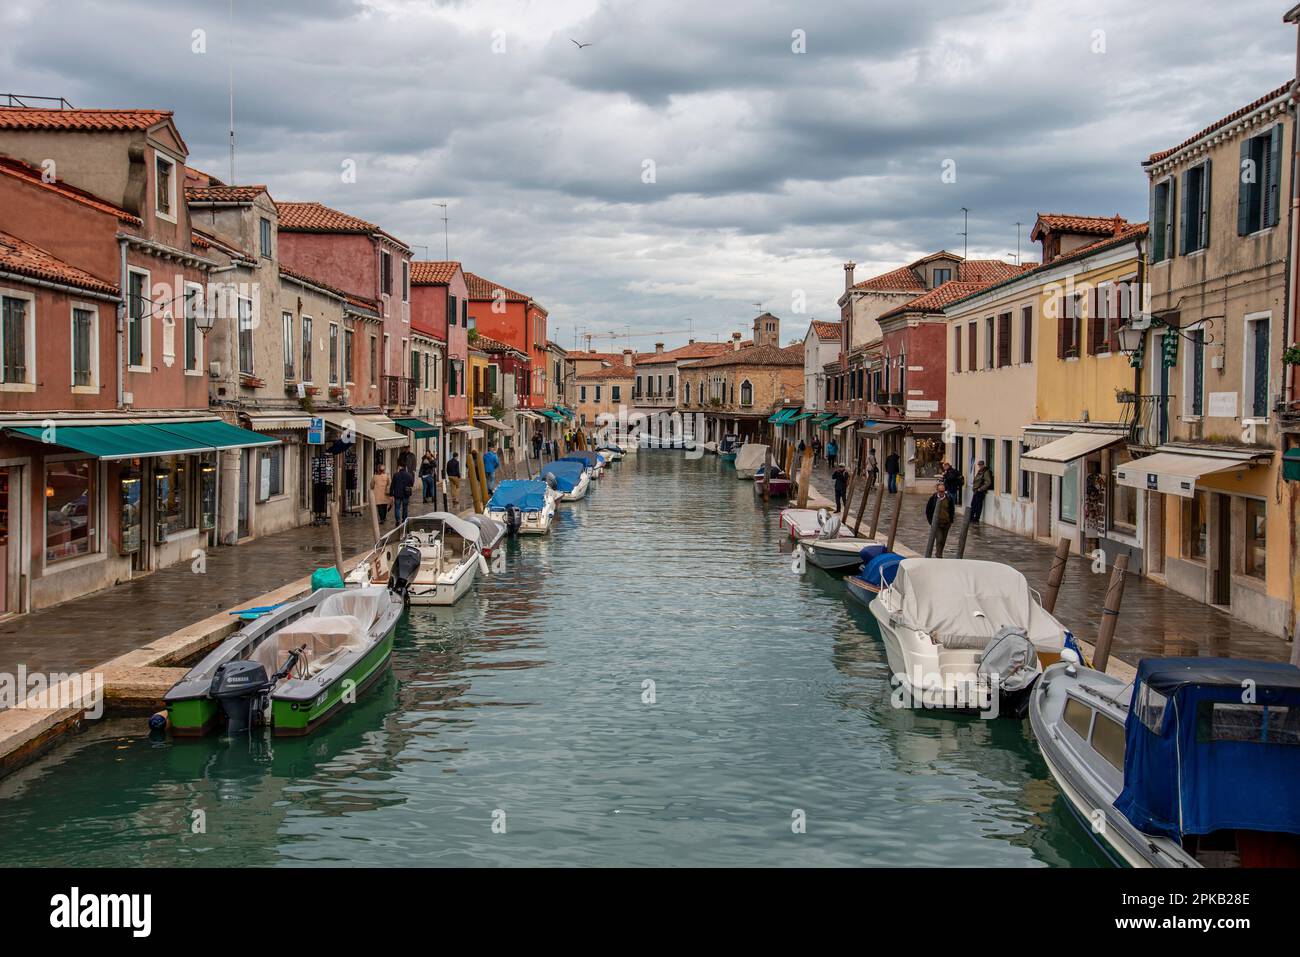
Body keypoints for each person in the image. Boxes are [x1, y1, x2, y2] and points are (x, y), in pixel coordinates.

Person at [924, 481, 955, 556]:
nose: (941, 493)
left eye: (943, 491)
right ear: (937, 491)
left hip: (946, 523)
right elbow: (928, 511)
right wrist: (931, 522)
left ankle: (940, 552)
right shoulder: (933, 499)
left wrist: (951, 521)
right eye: (940, 491)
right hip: (937, 523)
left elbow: (952, 510)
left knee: (943, 540)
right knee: (939, 539)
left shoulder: (949, 498)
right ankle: (938, 554)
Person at [970, 459, 994, 524]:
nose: (980, 466)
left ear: (983, 465)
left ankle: (976, 518)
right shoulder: (980, 471)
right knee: (973, 504)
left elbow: (988, 482)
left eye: (981, 465)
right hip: (976, 491)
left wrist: (980, 489)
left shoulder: (986, 472)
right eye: (979, 465)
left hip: (980, 491)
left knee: (978, 505)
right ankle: (971, 517)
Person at [390, 462, 414, 526]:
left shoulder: (396, 475)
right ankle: (404, 520)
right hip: (406, 494)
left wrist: (391, 494)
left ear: (400, 467)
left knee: (397, 507)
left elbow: (392, 485)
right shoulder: (409, 475)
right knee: (405, 507)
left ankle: (397, 520)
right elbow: (411, 484)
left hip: (397, 494)